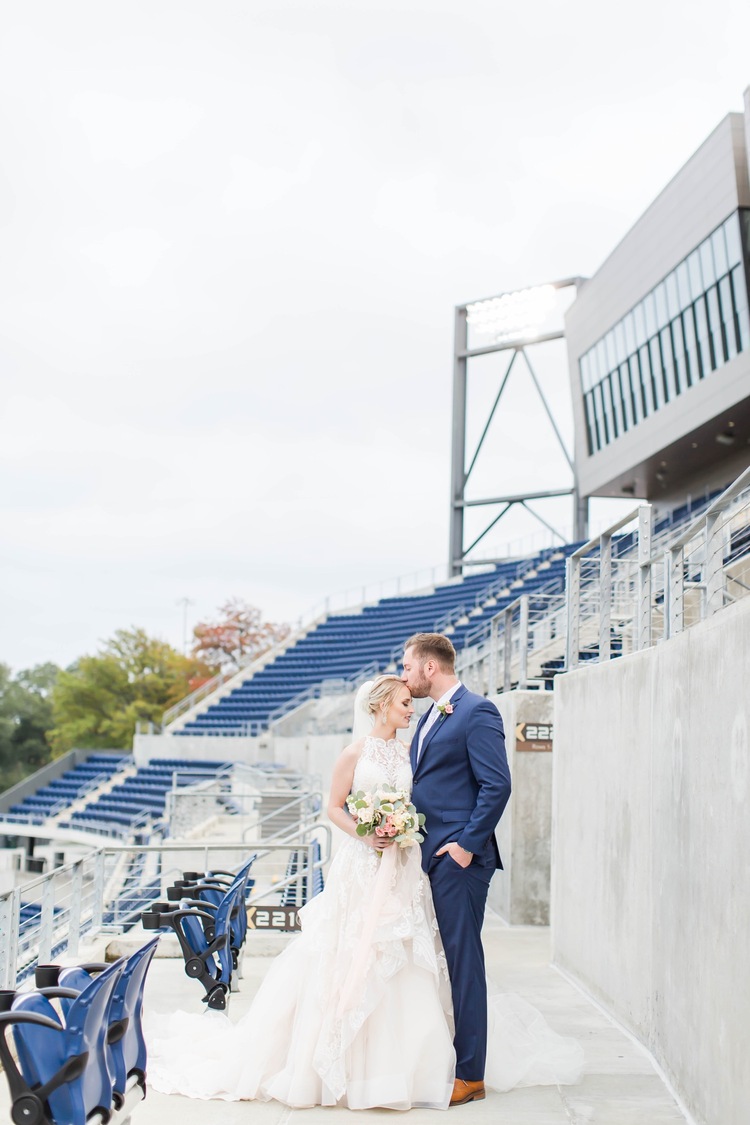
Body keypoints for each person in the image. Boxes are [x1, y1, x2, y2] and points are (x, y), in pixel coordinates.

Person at [146, 671, 583, 1108]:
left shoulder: (412, 751)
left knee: (409, 956)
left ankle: (412, 1066)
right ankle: (344, 1063)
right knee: (353, 951)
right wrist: (365, 832)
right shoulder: (354, 753)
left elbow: (429, 795)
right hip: (362, 863)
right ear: (379, 706)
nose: (411, 708)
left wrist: (406, 827)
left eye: (411, 703)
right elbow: (333, 807)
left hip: (405, 866)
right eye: (403, 703)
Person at [401, 632, 511, 1106]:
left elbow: (497, 785)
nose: (403, 675)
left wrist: (465, 846)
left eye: (407, 667)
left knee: (464, 962)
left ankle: (471, 1075)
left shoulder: (477, 711)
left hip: (458, 861)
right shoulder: (428, 716)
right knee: (440, 962)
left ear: (430, 667)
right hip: (425, 858)